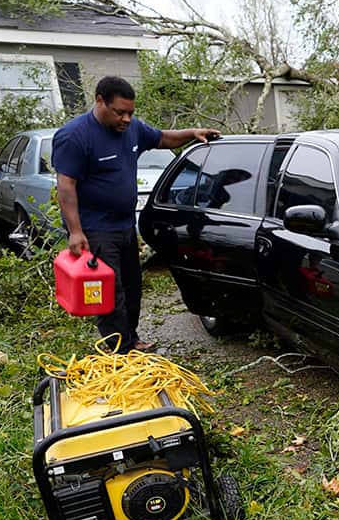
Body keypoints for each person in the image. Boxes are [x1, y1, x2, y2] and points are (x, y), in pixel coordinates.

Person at [53, 76, 220, 353]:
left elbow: (163, 138)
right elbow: (66, 186)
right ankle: (120, 350)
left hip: (125, 225)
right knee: (111, 292)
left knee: (132, 286)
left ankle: (130, 337)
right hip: (95, 228)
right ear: (99, 101)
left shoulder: (131, 129)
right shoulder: (75, 136)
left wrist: (193, 133)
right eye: (120, 112)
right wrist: (76, 231)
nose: (127, 119)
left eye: (130, 112)